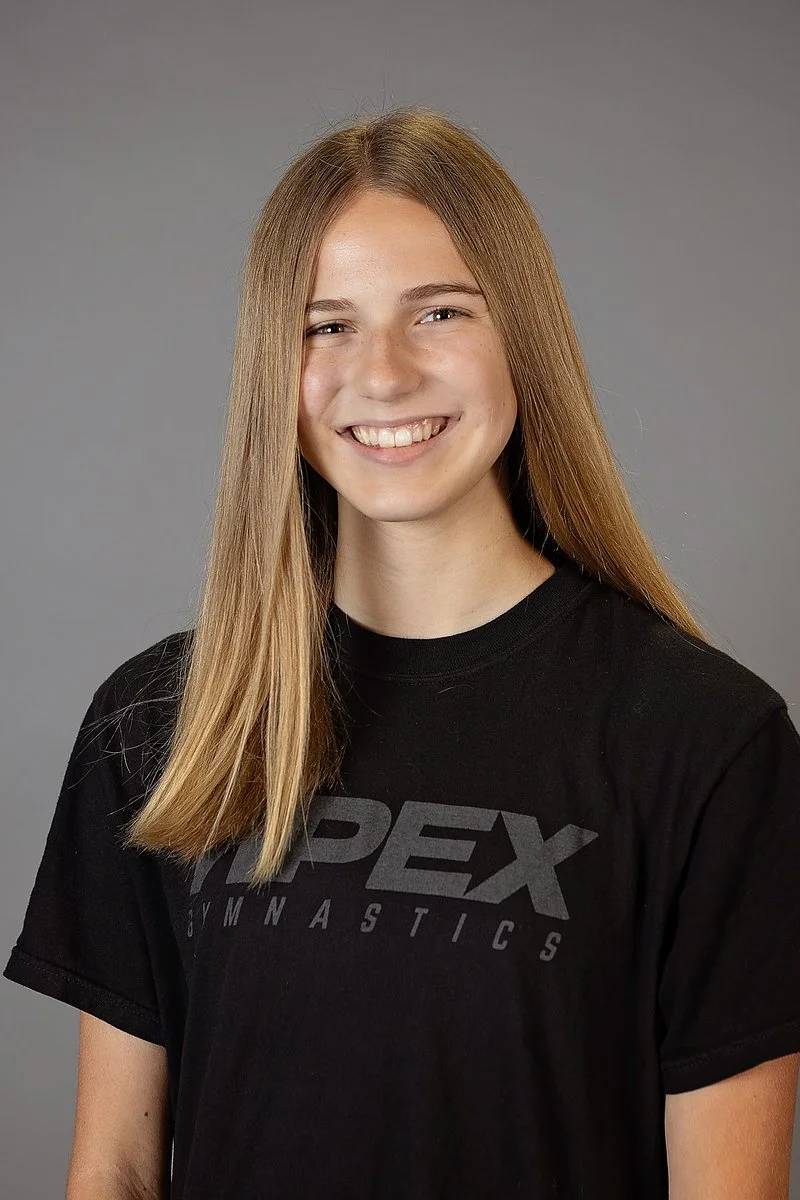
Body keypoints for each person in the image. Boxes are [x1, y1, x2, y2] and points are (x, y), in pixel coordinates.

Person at [4, 104, 800, 1200]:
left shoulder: (706, 740)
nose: (381, 375)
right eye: (326, 325)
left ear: (523, 336)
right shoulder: (166, 722)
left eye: (438, 312)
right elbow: (116, 1173)